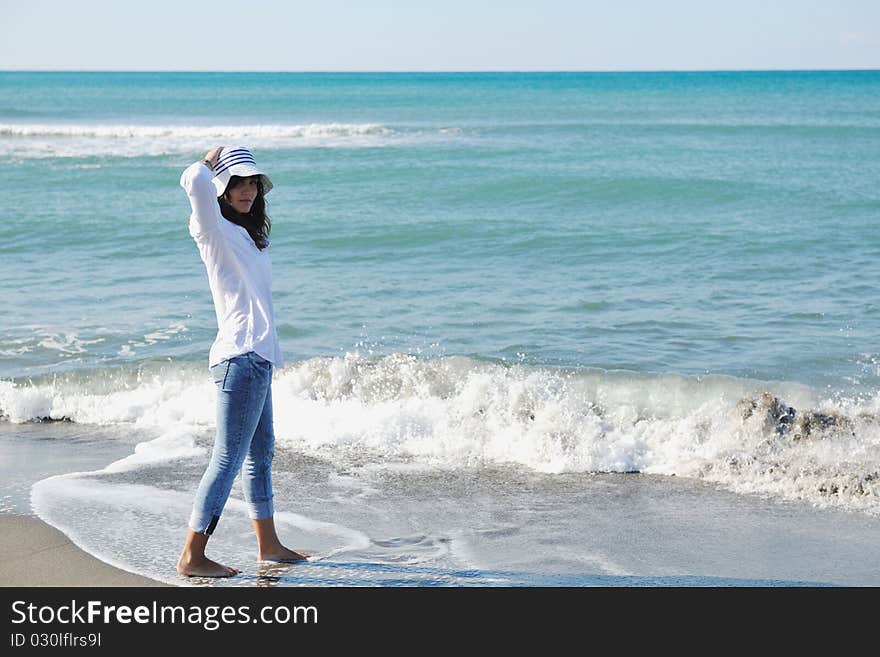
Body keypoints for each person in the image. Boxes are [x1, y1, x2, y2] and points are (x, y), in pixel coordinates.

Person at [176, 146, 308, 577]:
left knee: (260, 456)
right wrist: (208, 161)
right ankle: (193, 555)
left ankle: (268, 545)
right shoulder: (211, 229)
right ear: (223, 189)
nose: (247, 190)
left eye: (252, 183)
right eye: (237, 183)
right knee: (228, 458)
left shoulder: (249, 236)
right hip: (240, 356)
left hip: (260, 356)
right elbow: (191, 182)